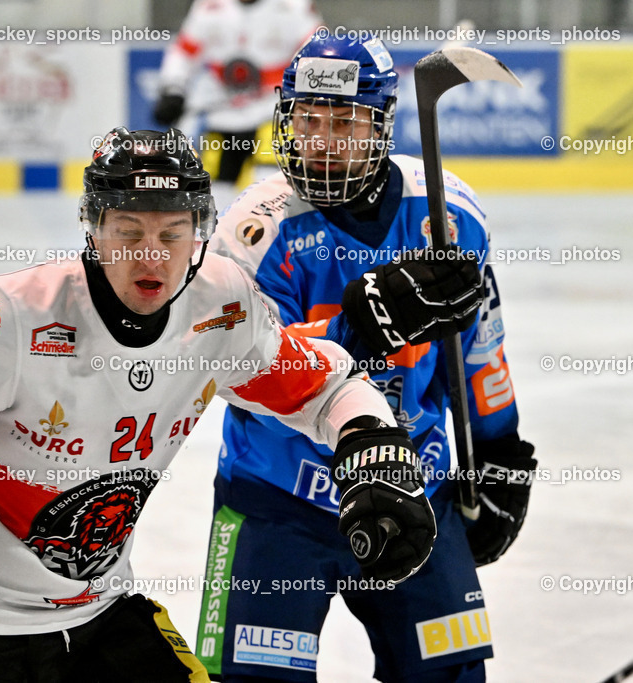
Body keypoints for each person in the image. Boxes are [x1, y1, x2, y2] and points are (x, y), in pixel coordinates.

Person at [0, 126, 437, 683]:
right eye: (128, 232)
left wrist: (371, 446)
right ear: (93, 230)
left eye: (172, 234)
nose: (152, 256)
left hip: (103, 614)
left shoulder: (221, 307)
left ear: (198, 233)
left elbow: (324, 386)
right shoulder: (9, 322)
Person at [194, 33, 537, 682]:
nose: (322, 139)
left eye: (345, 121)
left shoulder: (449, 215)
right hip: (279, 497)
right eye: (308, 119)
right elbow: (245, 374)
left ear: (381, 125)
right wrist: (358, 323)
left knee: (450, 677)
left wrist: (501, 454)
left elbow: (481, 352)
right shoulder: (254, 229)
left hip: (418, 484)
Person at [153, 0, 322, 187]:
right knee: (213, 186)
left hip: (273, 113)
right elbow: (183, 52)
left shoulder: (294, 6)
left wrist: (310, 95)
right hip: (220, 114)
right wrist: (173, 90)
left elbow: (317, 52)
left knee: (271, 182)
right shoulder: (209, 6)